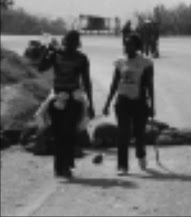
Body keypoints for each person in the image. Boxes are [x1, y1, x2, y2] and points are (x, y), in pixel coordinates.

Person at [38, 30, 95, 178]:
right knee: (58, 133)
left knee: (69, 133)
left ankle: (66, 164)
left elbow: (87, 82)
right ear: (64, 42)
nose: (70, 46)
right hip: (57, 97)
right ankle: (60, 166)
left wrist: (90, 104)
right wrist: (46, 52)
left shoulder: (82, 59)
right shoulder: (55, 55)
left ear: (77, 44)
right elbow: (41, 68)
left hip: (73, 98)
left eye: (73, 43)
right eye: (68, 42)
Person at [102, 33, 155, 175]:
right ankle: (122, 165)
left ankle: (141, 154)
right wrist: (107, 103)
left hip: (139, 101)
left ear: (137, 46)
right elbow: (114, 83)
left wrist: (152, 105)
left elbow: (150, 86)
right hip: (122, 101)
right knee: (122, 133)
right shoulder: (120, 62)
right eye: (125, 44)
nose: (127, 46)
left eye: (130, 44)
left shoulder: (146, 63)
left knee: (139, 133)